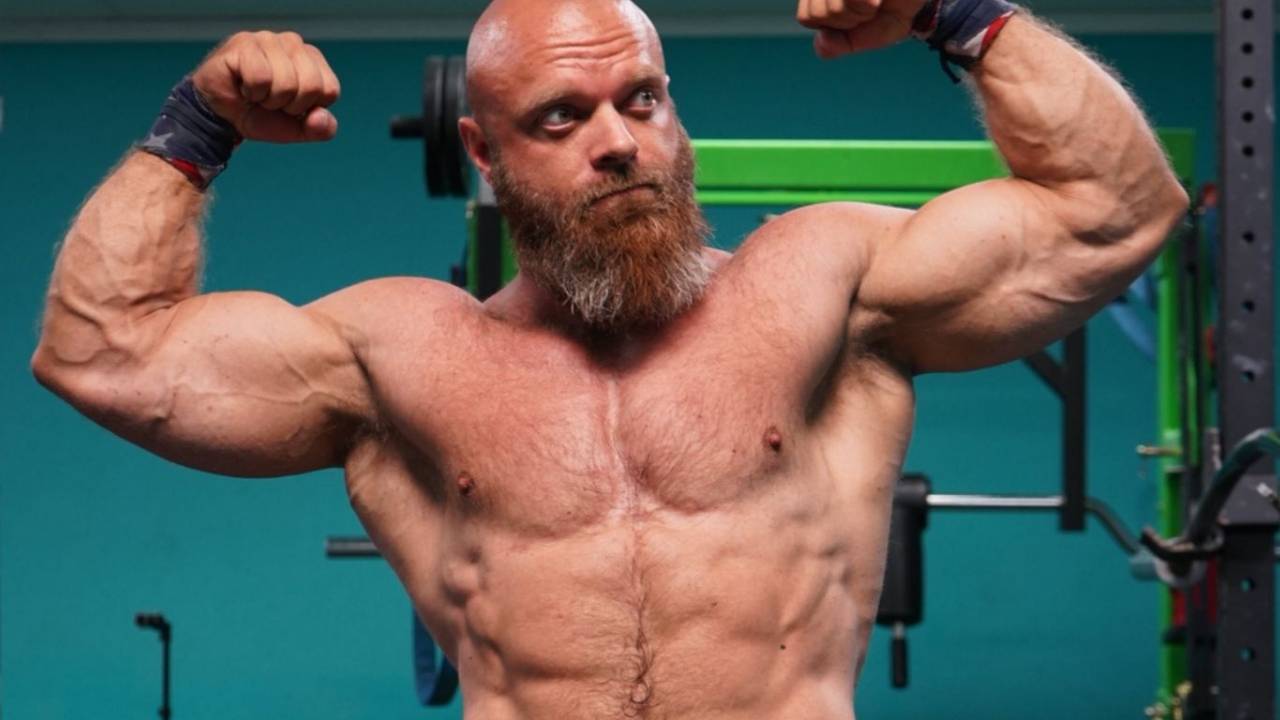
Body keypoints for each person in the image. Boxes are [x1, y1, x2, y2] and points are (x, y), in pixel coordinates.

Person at [31, 0, 1187, 716]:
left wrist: (958, 12)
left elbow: (1115, 210)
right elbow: (101, 353)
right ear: (483, 151)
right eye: (560, 117)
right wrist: (196, 127)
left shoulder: (825, 287)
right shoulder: (395, 355)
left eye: (641, 101)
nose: (618, 143)